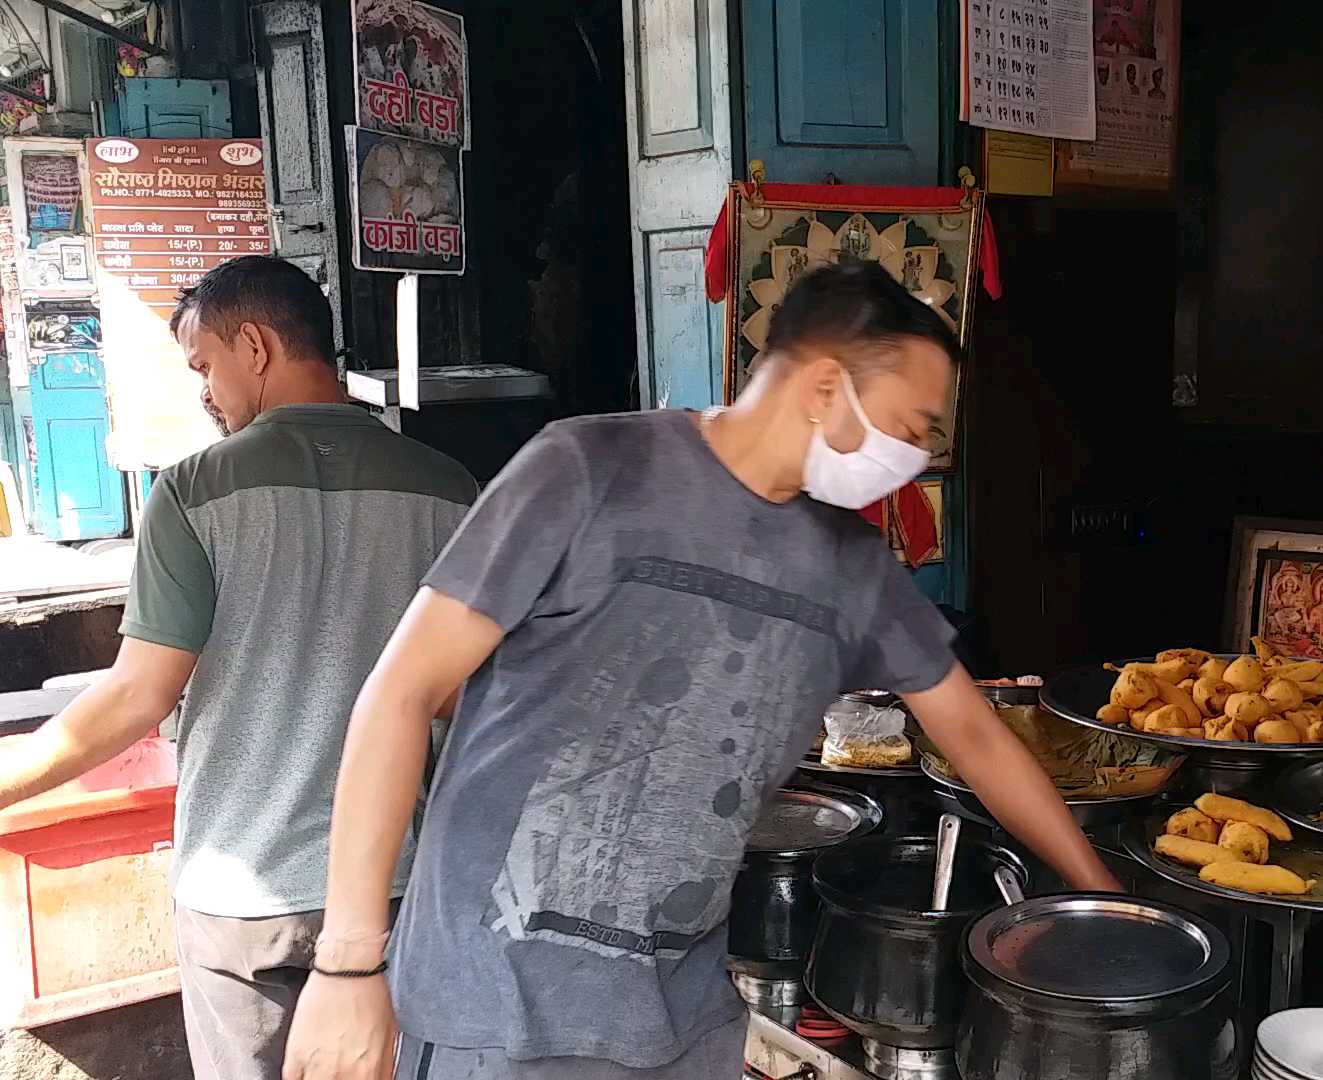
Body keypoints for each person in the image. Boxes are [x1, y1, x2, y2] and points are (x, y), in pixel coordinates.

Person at [283, 260, 1121, 1080]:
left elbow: (975, 734)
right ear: (827, 388)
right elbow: (402, 693)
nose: (915, 454)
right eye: (911, 426)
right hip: (493, 1015)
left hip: (682, 1022)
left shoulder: (853, 569)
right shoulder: (585, 469)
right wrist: (349, 969)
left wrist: (1105, 899)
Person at [0, 256, 477, 1080]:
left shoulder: (193, 492)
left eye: (204, 366)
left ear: (254, 346)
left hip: (240, 895)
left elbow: (138, 695)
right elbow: (464, 703)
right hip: (402, 887)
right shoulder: (451, 491)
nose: (205, 393)